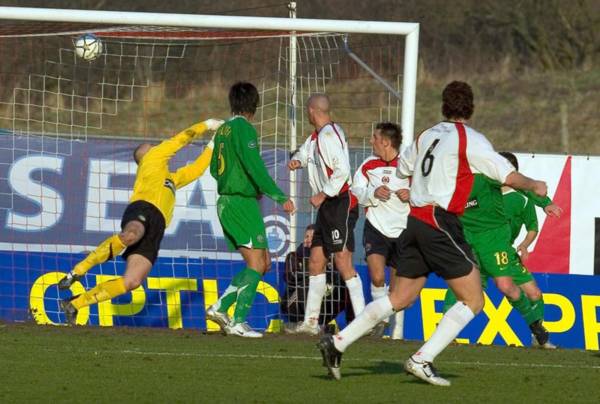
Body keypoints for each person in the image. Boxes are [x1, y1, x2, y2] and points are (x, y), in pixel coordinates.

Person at [317, 81, 548, 386]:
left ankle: (338, 343)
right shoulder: (471, 139)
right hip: (440, 222)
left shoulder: (427, 135)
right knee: (474, 300)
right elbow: (507, 174)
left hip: (414, 221)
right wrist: (534, 185)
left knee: (399, 297)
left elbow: (403, 168)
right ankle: (421, 359)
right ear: (471, 107)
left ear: (443, 106)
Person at [58, 118, 224, 324]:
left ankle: (74, 304)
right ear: (143, 155)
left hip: (157, 227)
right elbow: (180, 139)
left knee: (132, 282)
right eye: (150, 147)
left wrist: (214, 143)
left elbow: (198, 169)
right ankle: (77, 271)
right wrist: (208, 125)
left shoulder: (171, 178)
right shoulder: (152, 157)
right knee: (130, 235)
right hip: (142, 208)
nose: (153, 145)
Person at [442, 151, 562, 348]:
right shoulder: (455, 182)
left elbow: (523, 188)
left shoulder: (491, 181)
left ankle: (536, 326)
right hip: (468, 242)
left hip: (496, 243)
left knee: (508, 287)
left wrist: (546, 203)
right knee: (462, 286)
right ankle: (445, 328)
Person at [205, 81, 295, 338]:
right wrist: (278, 195)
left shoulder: (223, 130)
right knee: (257, 263)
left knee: (263, 263)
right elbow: (254, 165)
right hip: (240, 202)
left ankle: (220, 308)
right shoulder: (244, 129)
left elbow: (214, 168)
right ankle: (237, 321)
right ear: (254, 106)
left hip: (230, 200)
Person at [287, 93, 365, 336]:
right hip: (327, 207)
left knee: (342, 261)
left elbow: (342, 170)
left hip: (339, 203)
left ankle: (363, 321)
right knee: (316, 262)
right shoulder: (317, 136)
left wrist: (322, 194)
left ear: (312, 111)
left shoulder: (329, 136)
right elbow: (305, 151)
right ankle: (311, 322)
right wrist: (297, 161)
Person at [351, 122, 409, 339]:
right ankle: (380, 321)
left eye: (374, 137)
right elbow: (356, 190)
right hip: (375, 227)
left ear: (385, 141)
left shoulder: (408, 165)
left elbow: (426, 190)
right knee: (376, 276)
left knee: (397, 288)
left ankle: (397, 332)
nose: (371, 141)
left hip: (403, 230)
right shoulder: (368, 165)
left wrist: (410, 193)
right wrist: (373, 192)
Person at [281, 224, 350, 329]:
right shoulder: (294, 256)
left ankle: (353, 323)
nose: (308, 240)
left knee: (345, 285)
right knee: (312, 281)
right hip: (293, 303)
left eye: (312, 237)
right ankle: (306, 323)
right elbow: (290, 277)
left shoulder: (330, 259)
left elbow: (337, 278)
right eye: (306, 237)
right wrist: (314, 267)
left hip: (325, 303)